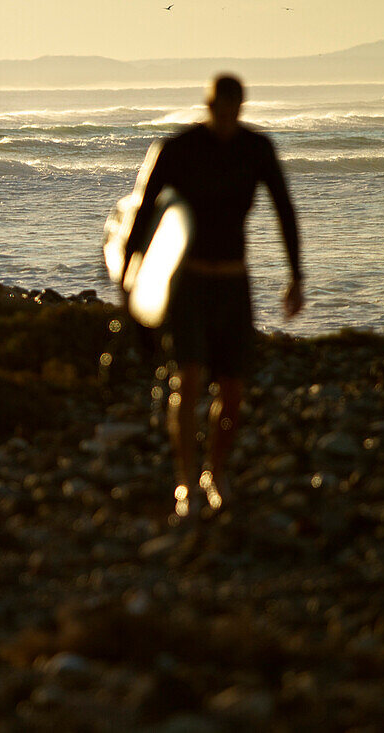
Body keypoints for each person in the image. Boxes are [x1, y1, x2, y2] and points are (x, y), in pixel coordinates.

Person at [122, 74, 304, 520]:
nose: (225, 119)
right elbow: (143, 210)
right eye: (218, 110)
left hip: (234, 283)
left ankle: (214, 473)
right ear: (209, 107)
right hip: (190, 283)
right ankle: (185, 482)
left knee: (234, 389)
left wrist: (296, 275)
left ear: (240, 107)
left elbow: (284, 209)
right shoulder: (178, 149)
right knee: (189, 377)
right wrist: (128, 278)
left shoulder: (256, 149)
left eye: (232, 110)